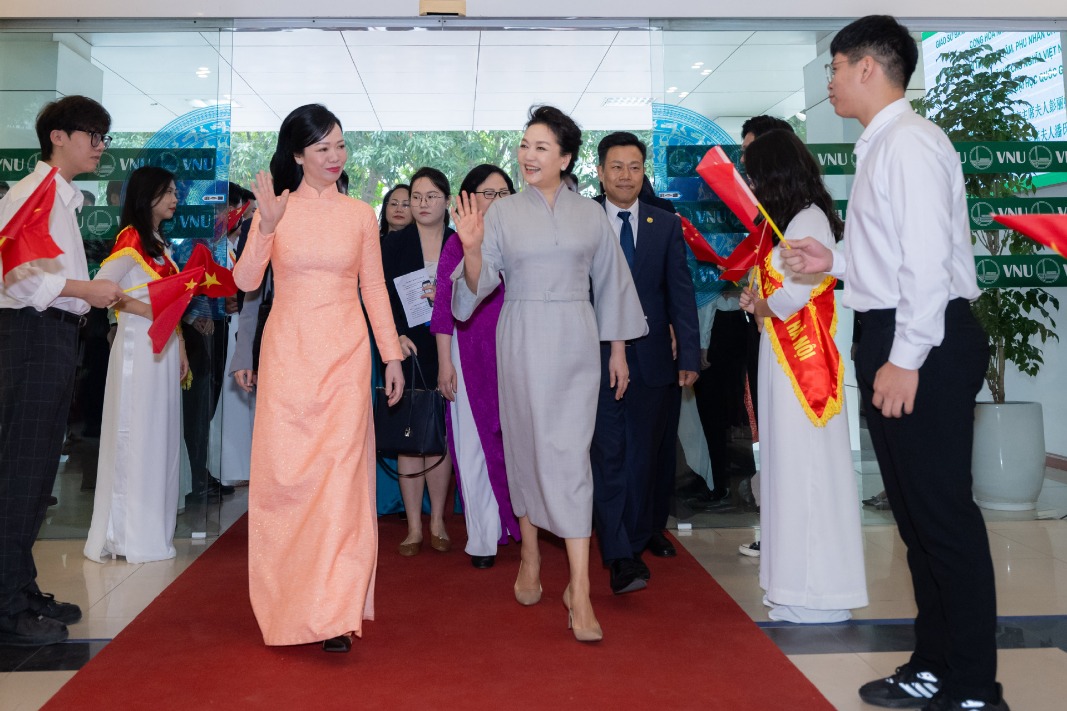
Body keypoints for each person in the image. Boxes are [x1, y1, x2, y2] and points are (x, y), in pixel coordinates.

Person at [782, 16, 1005, 710]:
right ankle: (934, 662)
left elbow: (929, 268)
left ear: (868, 68)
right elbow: (895, 256)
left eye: (835, 67)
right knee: (915, 520)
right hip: (900, 330)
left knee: (941, 518)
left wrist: (906, 357)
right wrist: (835, 262)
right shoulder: (887, 143)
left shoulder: (907, 143)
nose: (829, 82)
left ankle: (973, 685)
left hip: (924, 339)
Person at [451, 105, 647, 643]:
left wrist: (618, 351)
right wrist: (470, 248)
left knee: (569, 456)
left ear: (564, 157)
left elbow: (612, 284)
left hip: (577, 340)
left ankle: (580, 590)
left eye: (541, 147)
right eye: (524, 145)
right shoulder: (503, 213)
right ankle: (532, 555)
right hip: (519, 338)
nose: (528, 155)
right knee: (528, 449)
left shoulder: (591, 214)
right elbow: (474, 291)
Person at [233, 103, 404, 653]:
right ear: (298, 154)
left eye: (340, 145)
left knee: (339, 482)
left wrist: (391, 355)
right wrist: (266, 229)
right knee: (287, 480)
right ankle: (289, 601)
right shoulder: (274, 210)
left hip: (347, 357)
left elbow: (374, 288)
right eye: (323, 147)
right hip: (288, 356)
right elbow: (245, 280)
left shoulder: (358, 213)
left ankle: (335, 611)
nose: (335, 157)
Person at [0, 96, 125, 646]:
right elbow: (15, 273)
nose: (100, 147)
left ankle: (19, 587)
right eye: (93, 135)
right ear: (58, 136)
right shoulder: (36, 192)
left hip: (50, 336)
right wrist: (86, 289)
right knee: (21, 474)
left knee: (34, 472)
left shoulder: (60, 197)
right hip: (30, 334)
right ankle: (6, 607)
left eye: (104, 137)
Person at [738, 129, 868, 623]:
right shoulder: (787, 219)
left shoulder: (809, 218)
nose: (752, 184)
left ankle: (819, 592)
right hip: (781, 360)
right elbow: (778, 293)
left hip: (803, 367)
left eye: (755, 175)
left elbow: (795, 294)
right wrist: (759, 304)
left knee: (807, 472)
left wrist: (764, 306)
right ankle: (792, 585)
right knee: (787, 471)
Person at [589, 132, 700, 595]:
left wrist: (690, 354)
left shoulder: (665, 223)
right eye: (616, 166)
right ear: (599, 171)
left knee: (641, 458)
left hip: (654, 360)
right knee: (607, 455)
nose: (625, 176)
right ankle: (621, 556)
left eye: (634, 167)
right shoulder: (584, 219)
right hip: (592, 359)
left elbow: (680, 293)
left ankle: (631, 541)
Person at [84, 166, 189, 563]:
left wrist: (178, 342)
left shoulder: (161, 244)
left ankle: (150, 531)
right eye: (169, 192)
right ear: (148, 197)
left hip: (160, 350)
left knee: (157, 437)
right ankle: (124, 536)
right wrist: (148, 310)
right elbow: (104, 290)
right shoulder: (130, 240)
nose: (175, 198)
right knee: (136, 434)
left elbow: (172, 306)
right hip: (137, 349)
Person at [430, 164, 519, 570]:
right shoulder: (456, 245)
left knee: (515, 444)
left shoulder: (522, 241)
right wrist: (444, 362)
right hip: (468, 356)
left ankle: (518, 524)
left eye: (504, 193)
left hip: (517, 353)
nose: (497, 200)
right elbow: (444, 313)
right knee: (473, 446)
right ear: (468, 198)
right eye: (488, 193)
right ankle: (483, 536)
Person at [381, 167, 455, 556]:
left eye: (431, 196)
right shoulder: (393, 246)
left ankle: (439, 520)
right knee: (410, 437)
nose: (422, 204)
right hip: (404, 351)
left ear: (447, 200)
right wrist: (394, 334)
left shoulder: (460, 243)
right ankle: (412, 527)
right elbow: (376, 297)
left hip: (450, 348)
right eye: (416, 197)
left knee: (441, 437)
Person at [733, 115, 796, 558]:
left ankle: (784, 530)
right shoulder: (766, 220)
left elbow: (799, 290)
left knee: (787, 439)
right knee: (766, 438)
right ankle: (771, 525)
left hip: (795, 346)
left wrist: (763, 306)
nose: (745, 165)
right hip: (764, 336)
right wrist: (751, 296)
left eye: (752, 153)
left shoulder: (798, 219)